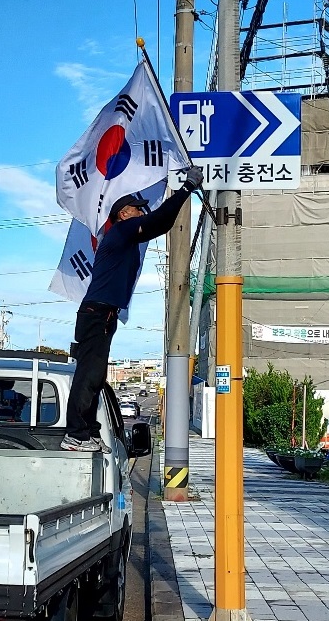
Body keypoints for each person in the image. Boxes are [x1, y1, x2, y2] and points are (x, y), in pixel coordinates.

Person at [62, 167, 204, 452]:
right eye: (138, 210)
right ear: (124, 214)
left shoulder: (120, 237)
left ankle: (87, 432)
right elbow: (160, 222)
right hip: (98, 312)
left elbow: (155, 222)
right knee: (89, 374)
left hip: (101, 313)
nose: (143, 213)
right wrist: (186, 188)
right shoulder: (122, 231)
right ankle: (76, 435)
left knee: (96, 375)